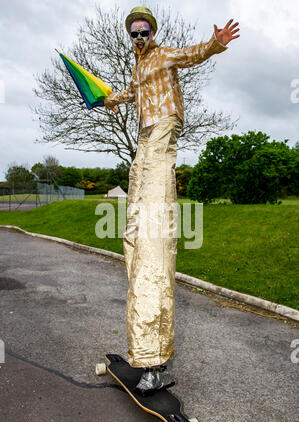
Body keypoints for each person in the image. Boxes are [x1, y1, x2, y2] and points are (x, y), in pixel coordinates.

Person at [104, 6, 240, 396]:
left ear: (152, 32)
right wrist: (109, 99)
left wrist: (216, 43)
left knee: (152, 232)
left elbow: (192, 54)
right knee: (134, 230)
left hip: (164, 127)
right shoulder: (137, 67)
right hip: (145, 135)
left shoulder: (163, 55)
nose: (140, 36)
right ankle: (144, 353)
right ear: (130, 36)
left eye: (144, 30)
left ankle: (156, 361)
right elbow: (131, 92)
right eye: (134, 32)